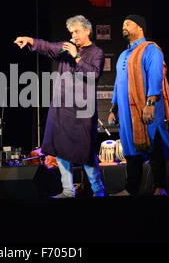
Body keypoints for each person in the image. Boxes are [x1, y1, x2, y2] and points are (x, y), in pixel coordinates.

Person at [14, 15, 105, 198]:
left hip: (82, 110)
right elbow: (47, 47)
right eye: (72, 32)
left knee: (85, 150)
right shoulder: (65, 49)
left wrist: (76, 56)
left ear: (87, 31)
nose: (74, 35)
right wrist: (30, 40)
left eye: (77, 31)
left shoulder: (97, 52)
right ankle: (67, 190)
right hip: (62, 107)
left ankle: (98, 190)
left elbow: (94, 74)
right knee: (60, 147)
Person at [108, 14, 169, 196]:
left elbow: (156, 77)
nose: (124, 26)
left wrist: (150, 104)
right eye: (123, 23)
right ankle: (131, 188)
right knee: (131, 151)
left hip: (148, 107)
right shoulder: (123, 55)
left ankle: (160, 187)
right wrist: (113, 108)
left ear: (140, 27)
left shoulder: (151, 49)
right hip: (127, 112)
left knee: (155, 146)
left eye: (128, 23)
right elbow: (118, 83)